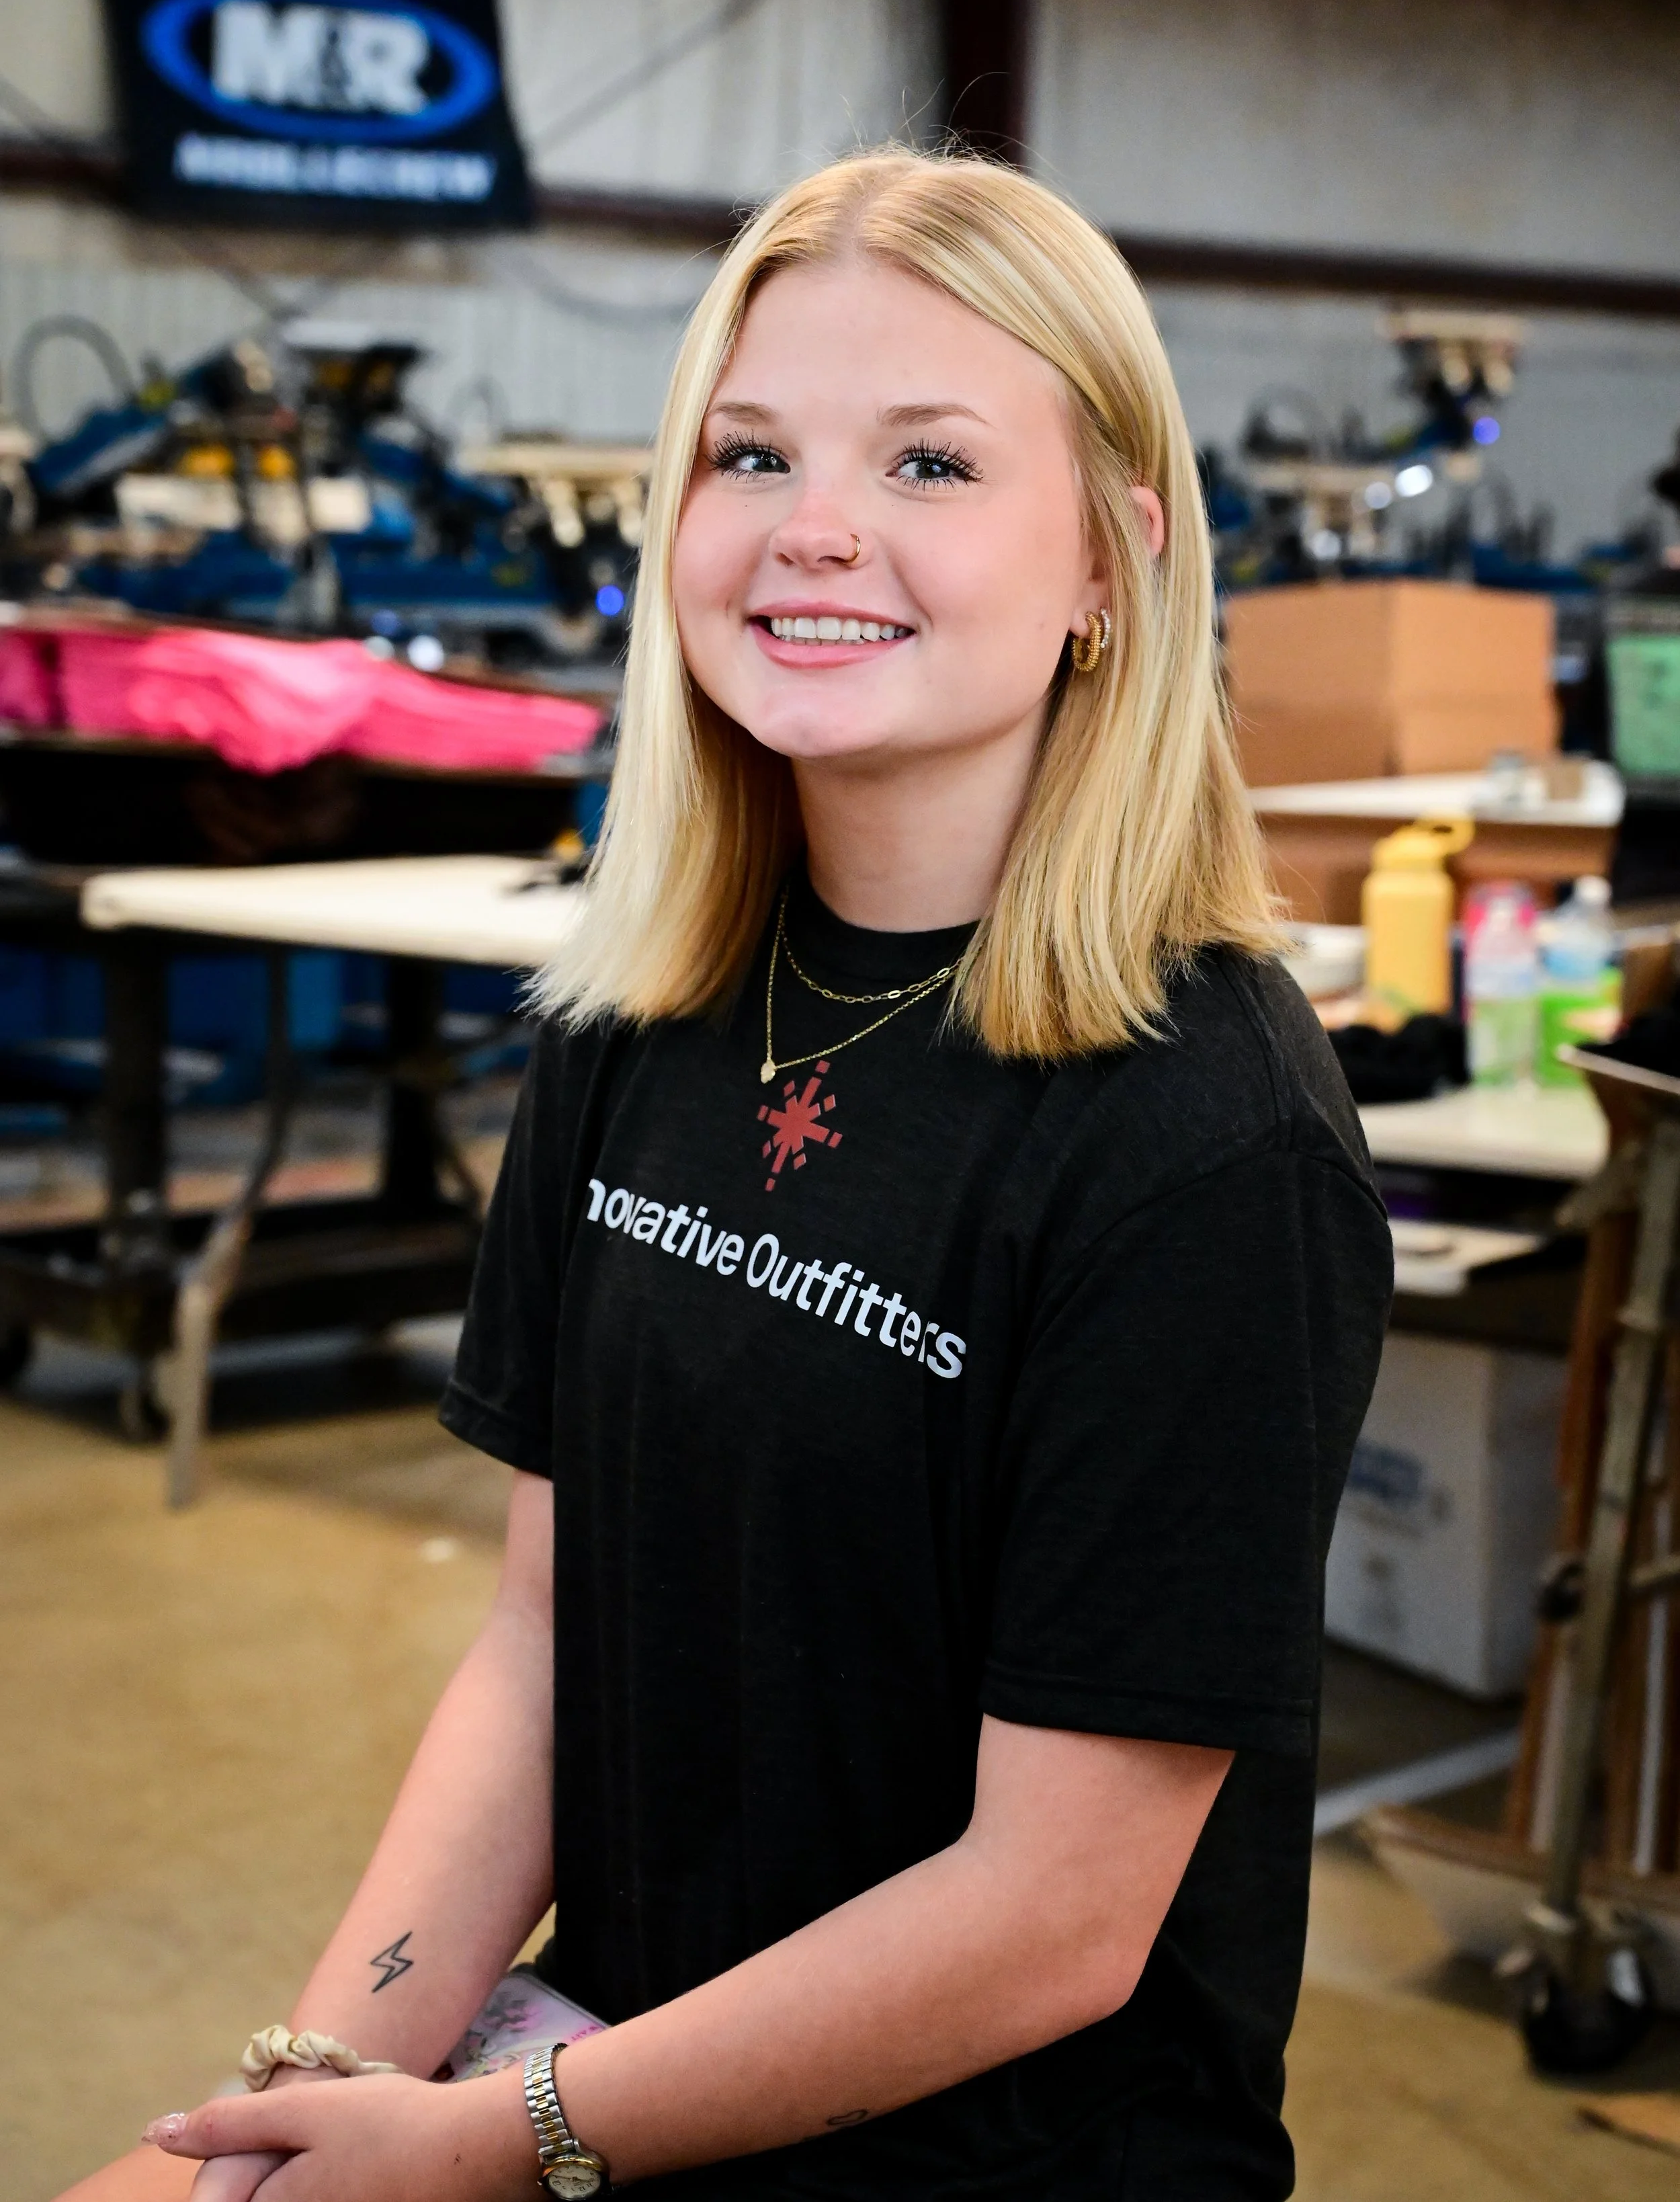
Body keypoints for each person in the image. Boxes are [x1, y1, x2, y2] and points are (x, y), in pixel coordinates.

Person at [72, 147, 1390, 2202]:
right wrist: (298, 2106)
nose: (813, 528)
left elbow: (1052, 1913)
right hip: (606, 2092)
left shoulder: (1205, 1140)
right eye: (749, 452)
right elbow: (539, 1647)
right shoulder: (640, 1008)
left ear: (1112, 559)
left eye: (930, 462)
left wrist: (492, 2144)